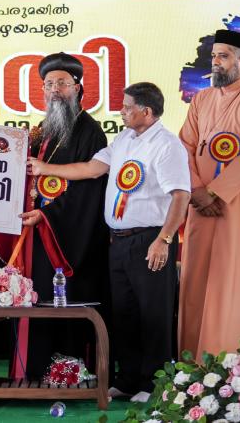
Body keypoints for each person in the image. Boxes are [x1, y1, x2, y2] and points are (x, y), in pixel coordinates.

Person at [27, 82, 190, 402]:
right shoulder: (124, 138)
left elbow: (181, 196)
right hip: (118, 241)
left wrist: (164, 239)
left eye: (127, 107)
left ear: (147, 111)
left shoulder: (167, 145)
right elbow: (91, 169)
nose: (121, 112)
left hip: (150, 239)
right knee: (124, 313)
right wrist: (44, 168)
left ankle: (154, 384)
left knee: (152, 314)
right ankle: (128, 379)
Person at [178, 29, 240, 358]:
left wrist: (216, 193)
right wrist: (196, 189)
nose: (216, 63)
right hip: (200, 205)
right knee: (197, 278)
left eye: (223, 56)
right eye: (213, 57)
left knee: (236, 277)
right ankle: (193, 364)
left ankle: (235, 363)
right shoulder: (202, 99)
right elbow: (185, 146)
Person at [17, 52, 108, 379]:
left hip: (70, 238)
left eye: (62, 83)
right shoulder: (45, 130)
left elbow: (89, 190)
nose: (55, 89)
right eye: (49, 84)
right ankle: (35, 371)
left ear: (77, 88)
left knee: (67, 299)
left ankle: (68, 373)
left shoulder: (90, 131)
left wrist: (48, 216)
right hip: (39, 232)